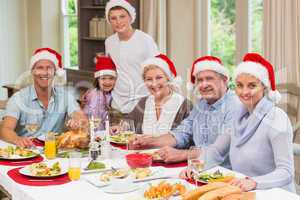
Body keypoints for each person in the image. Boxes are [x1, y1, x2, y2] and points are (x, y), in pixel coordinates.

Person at [181, 53, 295, 192]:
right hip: (243, 190)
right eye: (240, 85)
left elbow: (286, 172)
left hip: (274, 193)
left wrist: (254, 182)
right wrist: (195, 167)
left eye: (252, 86)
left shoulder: (277, 118)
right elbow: (216, 150)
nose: (244, 92)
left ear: (264, 88)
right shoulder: (238, 115)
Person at [130, 56, 239, 163]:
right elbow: (182, 133)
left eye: (209, 78)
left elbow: (219, 151)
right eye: (200, 80)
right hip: (200, 169)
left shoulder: (235, 106)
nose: (204, 85)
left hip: (226, 173)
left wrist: (182, 154)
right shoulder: (201, 105)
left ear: (224, 80)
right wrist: (149, 142)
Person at [0, 48, 87, 147]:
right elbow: (4, 129)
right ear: (32, 72)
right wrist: (17, 139)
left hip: (55, 152)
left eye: (49, 68)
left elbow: (80, 116)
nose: (45, 72)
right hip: (27, 152)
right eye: (40, 68)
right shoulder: (18, 98)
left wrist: (78, 121)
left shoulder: (65, 96)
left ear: (55, 72)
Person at [105, 0, 159, 113]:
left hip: (141, 101)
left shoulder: (145, 40)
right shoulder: (109, 42)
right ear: (109, 21)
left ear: (130, 17)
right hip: (117, 102)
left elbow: (157, 70)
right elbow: (111, 70)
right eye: (113, 18)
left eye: (122, 16)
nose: (118, 22)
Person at [128, 54, 192, 135]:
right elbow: (128, 122)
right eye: (149, 79)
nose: (154, 84)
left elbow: (187, 139)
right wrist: (119, 127)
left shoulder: (185, 105)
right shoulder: (143, 102)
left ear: (168, 79)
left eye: (159, 78)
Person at [82, 56, 117, 130]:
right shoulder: (96, 96)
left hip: (103, 131)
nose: (107, 82)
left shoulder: (110, 94)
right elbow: (96, 122)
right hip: (93, 133)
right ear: (97, 80)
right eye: (103, 78)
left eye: (111, 78)